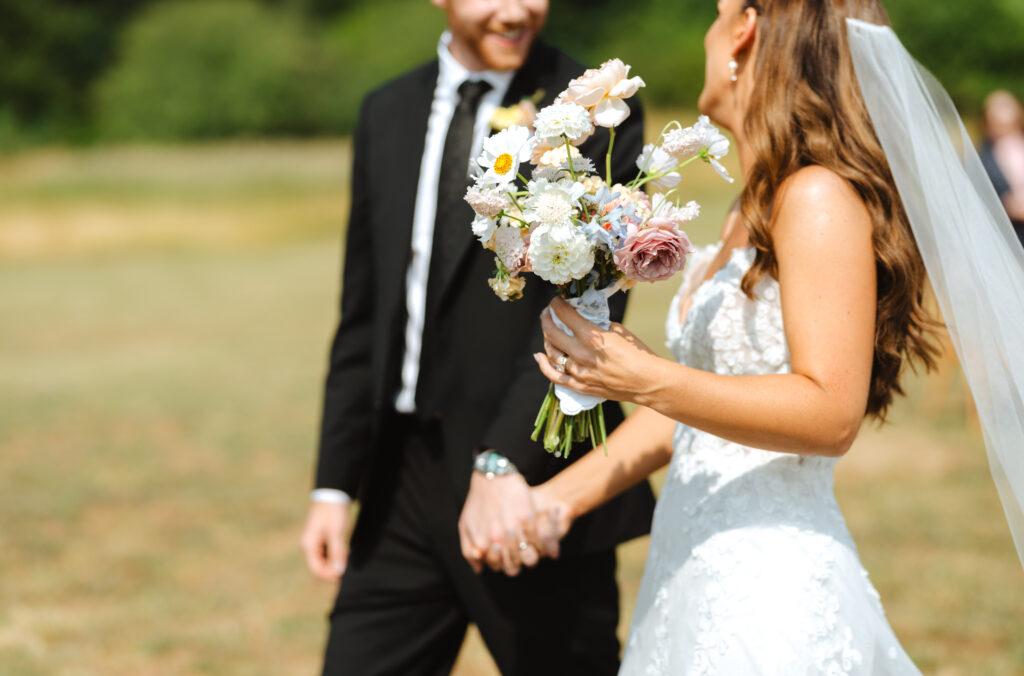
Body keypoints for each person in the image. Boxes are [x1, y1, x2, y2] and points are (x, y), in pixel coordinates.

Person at [466, 0, 1024, 673]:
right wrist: (557, 500)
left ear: (745, 32)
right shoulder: (755, 199)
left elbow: (831, 412)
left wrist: (645, 376)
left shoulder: (816, 197)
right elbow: (706, 409)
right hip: (692, 568)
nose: (707, 30)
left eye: (717, 12)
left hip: (769, 587)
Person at [299, 0, 656, 674]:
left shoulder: (595, 107)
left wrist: (504, 461)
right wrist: (333, 486)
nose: (518, 9)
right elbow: (364, 312)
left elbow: (590, 307)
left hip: (526, 482)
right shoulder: (385, 111)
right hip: (395, 484)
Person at [979, 90, 1024, 247]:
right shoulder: (981, 161)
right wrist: (1007, 207)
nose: (1005, 133)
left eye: (1010, 126)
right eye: (999, 126)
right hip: (1009, 242)